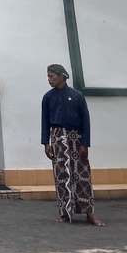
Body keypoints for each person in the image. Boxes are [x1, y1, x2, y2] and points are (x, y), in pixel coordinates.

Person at [41, 64, 104, 226]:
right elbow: (45, 122)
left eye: (51, 76)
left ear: (61, 76)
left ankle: (89, 214)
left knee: (82, 175)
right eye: (48, 77)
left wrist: (85, 144)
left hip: (76, 141)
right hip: (57, 141)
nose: (49, 80)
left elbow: (86, 121)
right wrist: (46, 143)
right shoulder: (48, 97)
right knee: (61, 175)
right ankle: (65, 213)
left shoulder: (77, 96)